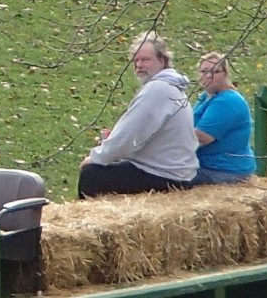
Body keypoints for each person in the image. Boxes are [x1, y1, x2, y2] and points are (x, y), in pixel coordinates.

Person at [78, 32, 199, 198]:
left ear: (162, 61)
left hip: (165, 176)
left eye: (145, 60)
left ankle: (88, 222)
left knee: (91, 173)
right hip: (179, 172)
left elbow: (128, 137)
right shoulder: (173, 88)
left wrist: (96, 157)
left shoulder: (157, 89)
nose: (139, 65)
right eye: (136, 60)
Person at [192, 52, 257, 186]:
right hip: (208, 166)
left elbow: (201, 138)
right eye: (204, 71)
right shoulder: (206, 97)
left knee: (164, 178)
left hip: (225, 171)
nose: (209, 76)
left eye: (215, 72)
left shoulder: (228, 101)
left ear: (225, 74)